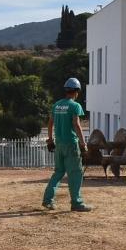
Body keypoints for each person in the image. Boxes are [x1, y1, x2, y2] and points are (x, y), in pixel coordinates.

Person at [42, 76, 92, 212]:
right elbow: (76, 124)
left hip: (59, 145)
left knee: (58, 172)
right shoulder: (75, 106)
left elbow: (50, 123)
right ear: (76, 91)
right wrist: (83, 144)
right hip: (71, 145)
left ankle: (48, 200)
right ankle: (77, 203)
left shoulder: (57, 105)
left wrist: (50, 140)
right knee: (75, 173)